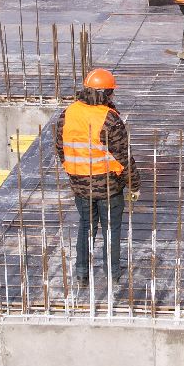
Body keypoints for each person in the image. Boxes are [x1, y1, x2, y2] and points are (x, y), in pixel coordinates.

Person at [53, 68, 140, 285]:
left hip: (80, 184)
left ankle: (82, 272)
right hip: (109, 185)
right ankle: (112, 273)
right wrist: (134, 185)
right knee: (111, 229)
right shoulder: (109, 118)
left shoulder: (68, 113)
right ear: (107, 92)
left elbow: (60, 148)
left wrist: (74, 172)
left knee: (86, 226)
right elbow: (123, 158)